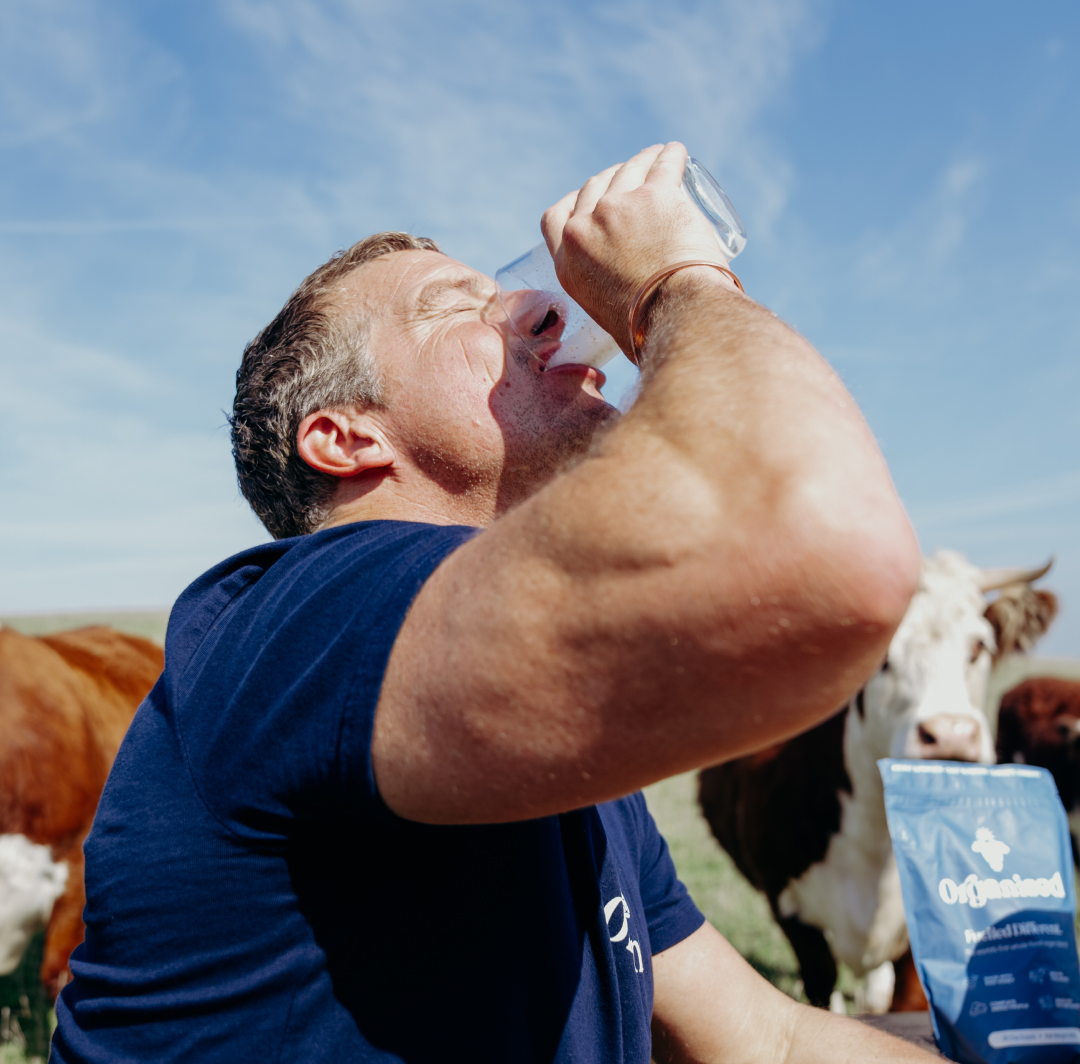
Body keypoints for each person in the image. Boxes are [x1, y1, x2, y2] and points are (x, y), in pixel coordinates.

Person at [52, 143, 931, 1062]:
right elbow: (824, 552)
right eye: (456, 310)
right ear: (344, 438)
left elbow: (771, 1039)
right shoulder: (303, 621)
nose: (548, 307)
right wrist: (673, 281)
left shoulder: (553, 734)